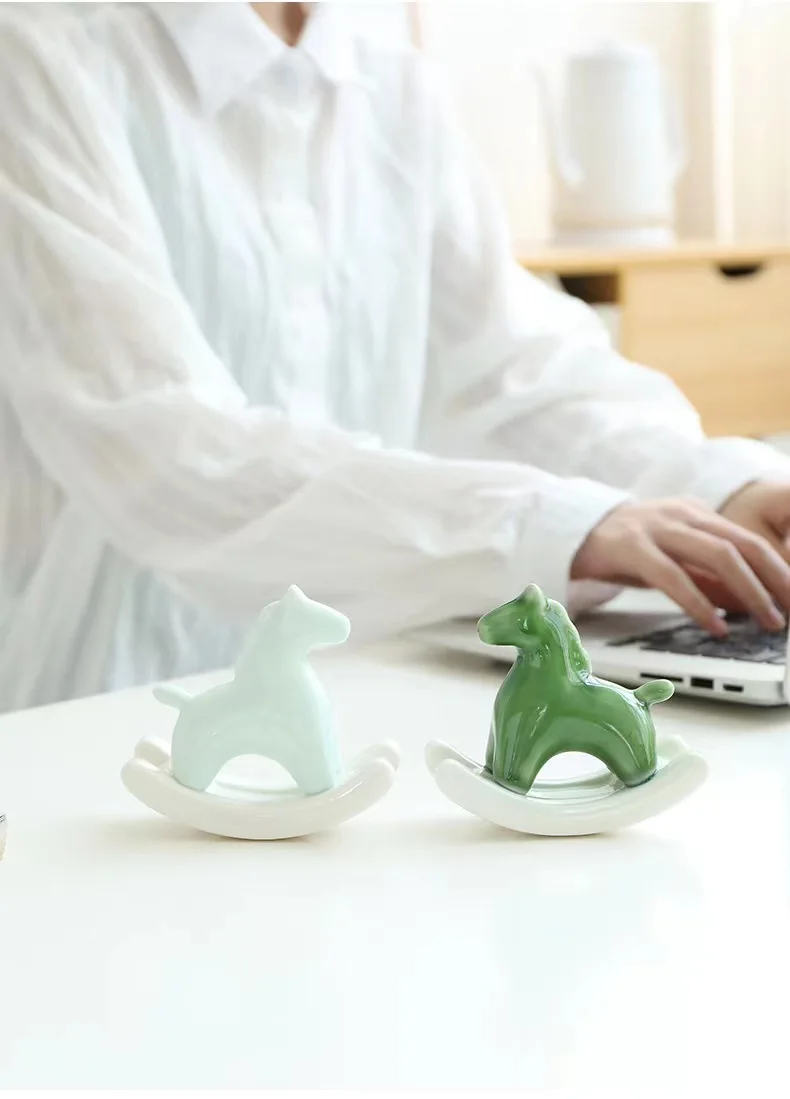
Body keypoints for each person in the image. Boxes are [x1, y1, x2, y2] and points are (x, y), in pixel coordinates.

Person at [2, 0, 790, 712]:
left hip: (355, 693)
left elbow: (517, 368)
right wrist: (559, 525)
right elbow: (159, 447)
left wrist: (721, 488)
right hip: (104, 711)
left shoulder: (389, 79)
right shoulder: (40, 54)